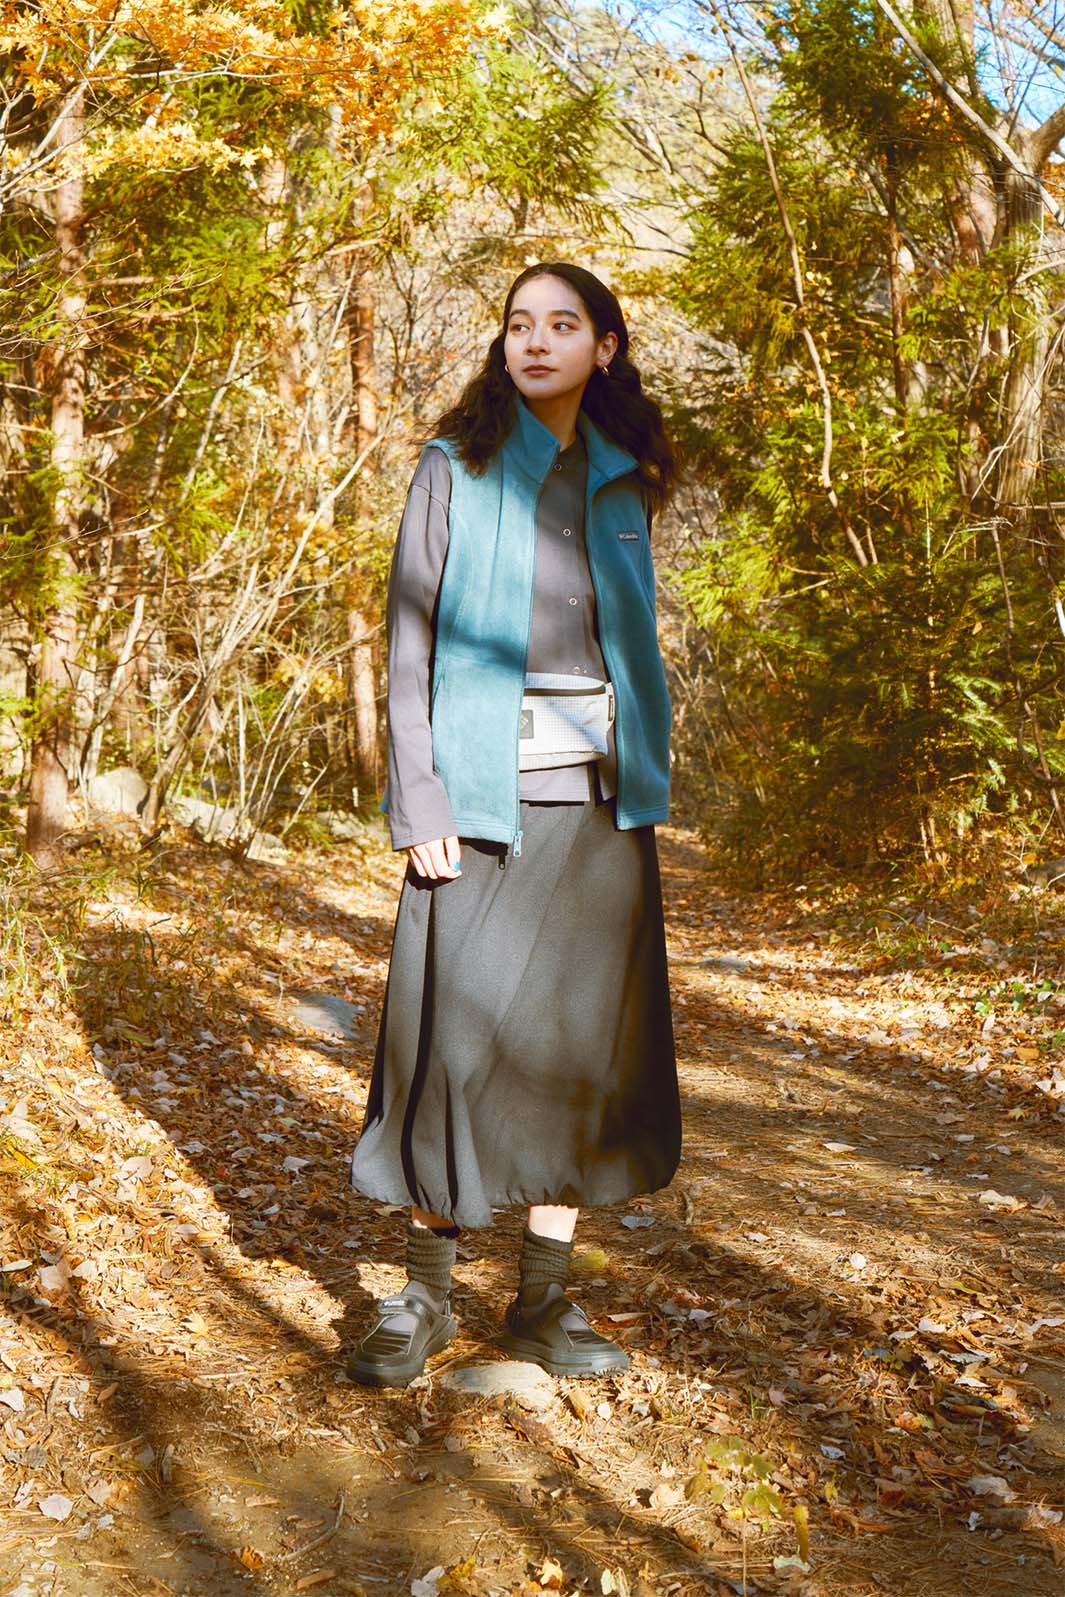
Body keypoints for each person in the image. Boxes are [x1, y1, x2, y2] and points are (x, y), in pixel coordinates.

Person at [347, 262, 682, 1387]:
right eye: (518, 325)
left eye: (562, 324)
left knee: (577, 1056)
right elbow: (407, 644)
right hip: (479, 805)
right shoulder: (455, 466)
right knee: (450, 1047)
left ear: (605, 346)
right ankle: (425, 1295)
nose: (535, 341)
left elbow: (630, 641)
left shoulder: (625, 476)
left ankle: (541, 1301)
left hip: (599, 811)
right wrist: (420, 797)